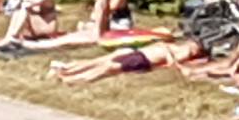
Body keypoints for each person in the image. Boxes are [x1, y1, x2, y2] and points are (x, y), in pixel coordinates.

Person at [52, 34, 208, 85]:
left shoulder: (183, 53)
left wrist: (168, 52)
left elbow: (173, 63)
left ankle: (73, 78)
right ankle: (71, 74)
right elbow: (162, 44)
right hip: (140, 55)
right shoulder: (178, 47)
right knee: (105, 65)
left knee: (107, 68)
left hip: (142, 59)